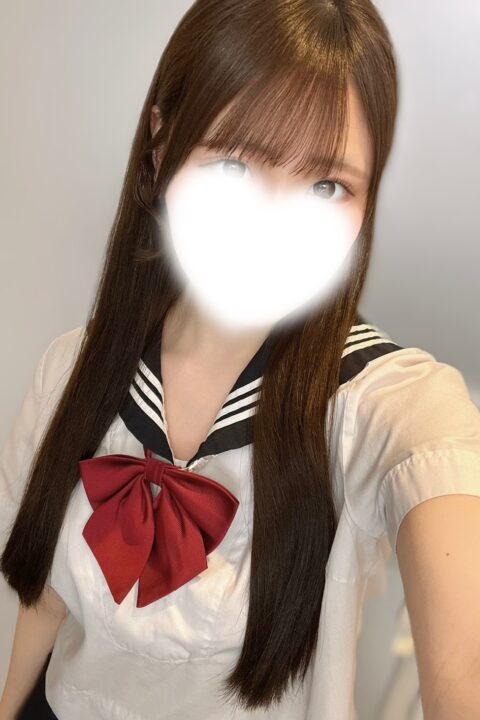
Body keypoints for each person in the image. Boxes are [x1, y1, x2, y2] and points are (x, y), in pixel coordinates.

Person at [1, 1, 480, 719]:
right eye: (233, 164)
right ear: (161, 145)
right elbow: (44, 598)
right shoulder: (72, 368)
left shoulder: (380, 403)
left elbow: (465, 667)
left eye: (327, 186)